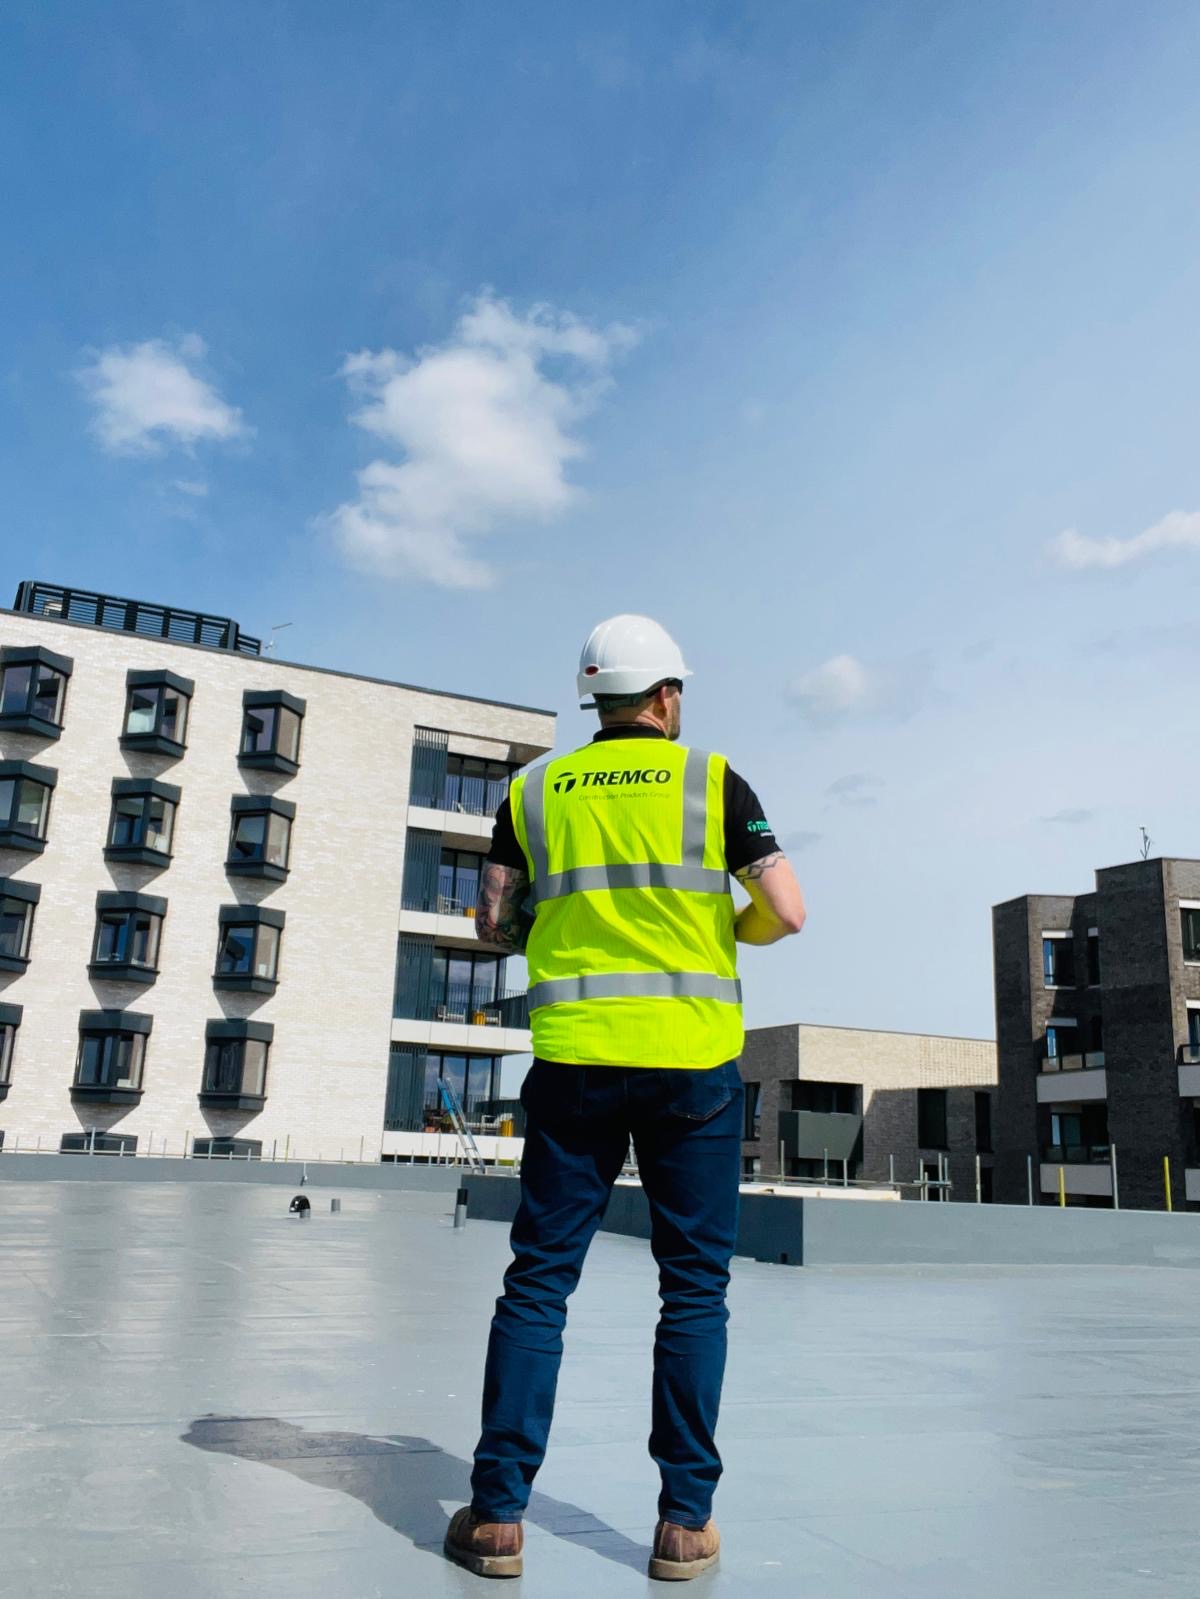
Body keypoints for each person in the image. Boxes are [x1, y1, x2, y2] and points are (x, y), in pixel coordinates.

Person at [444, 614, 806, 1582]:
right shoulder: (713, 781)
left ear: (594, 698)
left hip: (576, 1063)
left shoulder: (533, 791)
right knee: (693, 1289)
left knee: (538, 1282)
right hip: (692, 1065)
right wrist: (726, 929)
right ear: (667, 695)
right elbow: (788, 910)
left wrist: (556, 926)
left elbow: (490, 923)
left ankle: (497, 1518)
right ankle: (684, 1523)